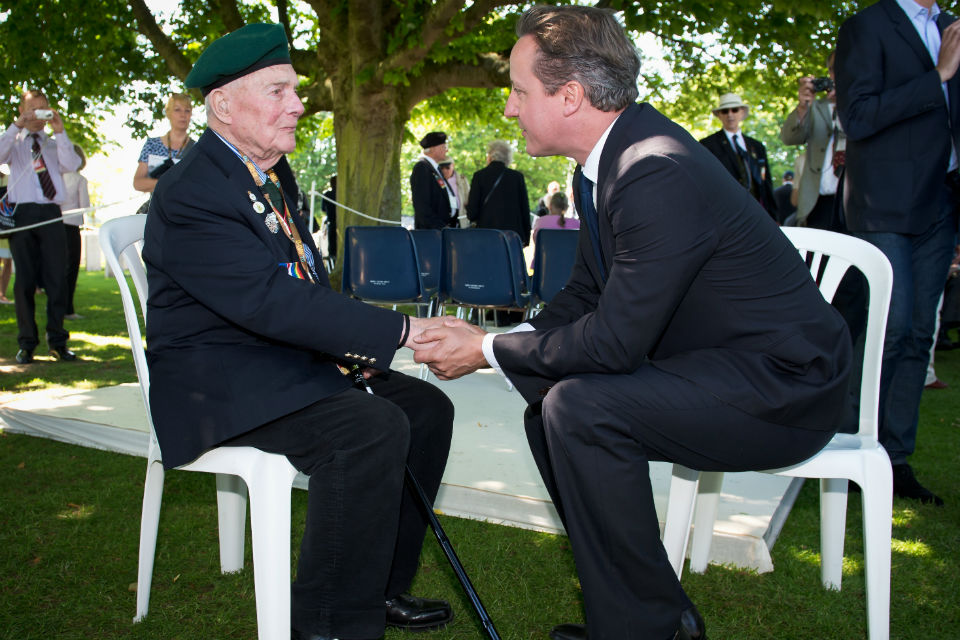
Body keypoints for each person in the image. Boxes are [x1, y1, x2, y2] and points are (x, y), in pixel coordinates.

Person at [412, 6, 853, 640]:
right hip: (719, 369)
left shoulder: (652, 168)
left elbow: (616, 342)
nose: (510, 108)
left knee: (581, 409)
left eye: (519, 90)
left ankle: (643, 627)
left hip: (783, 389)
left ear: (570, 96)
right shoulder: (610, 162)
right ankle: (648, 616)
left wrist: (485, 349)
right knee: (553, 406)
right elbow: (586, 294)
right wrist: (499, 340)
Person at [142, 23, 454, 640]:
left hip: (278, 360)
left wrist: (352, 349)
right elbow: (266, 301)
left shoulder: (265, 168)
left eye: (296, 88)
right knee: (369, 428)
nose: (299, 103)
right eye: (279, 89)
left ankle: (379, 589)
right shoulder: (193, 190)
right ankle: (329, 625)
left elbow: (304, 281)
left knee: (426, 409)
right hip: (220, 383)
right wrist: (399, 331)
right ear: (222, 105)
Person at [835, 0, 960, 506]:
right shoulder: (867, 26)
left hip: (942, 202)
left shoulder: (951, 25)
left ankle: (893, 459)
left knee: (919, 335)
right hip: (883, 202)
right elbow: (858, 116)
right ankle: (846, 449)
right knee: (890, 328)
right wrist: (940, 74)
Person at [0, 89, 81, 364]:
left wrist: (60, 132)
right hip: (22, 214)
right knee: (24, 281)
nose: (37, 115)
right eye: (32, 109)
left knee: (57, 279)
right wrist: (17, 126)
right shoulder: (15, 141)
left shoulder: (53, 142)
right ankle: (27, 343)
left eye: (42, 109)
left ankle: (58, 341)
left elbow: (72, 164)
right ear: (23, 110)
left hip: (51, 213)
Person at [781, 52, 847, 231]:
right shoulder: (816, 107)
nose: (837, 74)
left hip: (853, 205)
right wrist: (803, 106)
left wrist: (846, 98)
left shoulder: (863, 104)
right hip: (818, 205)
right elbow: (789, 137)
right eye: (832, 69)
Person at [700, 93, 777, 218]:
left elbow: (766, 182)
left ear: (742, 112)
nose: (730, 114)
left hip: (758, 212)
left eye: (734, 110)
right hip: (727, 215)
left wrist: (774, 216)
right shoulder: (708, 145)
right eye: (725, 111)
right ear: (719, 115)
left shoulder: (757, 147)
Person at [133, 93, 195, 212]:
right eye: (177, 110)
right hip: (155, 209)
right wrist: (170, 183)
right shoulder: (152, 145)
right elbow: (138, 183)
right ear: (168, 113)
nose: (183, 115)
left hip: (185, 212)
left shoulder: (197, 149)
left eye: (187, 111)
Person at [466, 139, 531, 245]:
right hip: (512, 236)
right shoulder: (517, 177)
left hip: (486, 235)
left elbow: (472, 213)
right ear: (508, 157)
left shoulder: (479, 176)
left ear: (490, 156)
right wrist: (526, 238)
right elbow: (524, 209)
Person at [60, 143, 89, 320]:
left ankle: (57, 307)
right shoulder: (79, 179)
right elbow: (84, 206)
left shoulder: (56, 177)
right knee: (71, 269)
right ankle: (67, 309)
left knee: (57, 269)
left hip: (54, 227)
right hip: (71, 228)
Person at [410, 131, 457, 229]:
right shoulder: (422, 168)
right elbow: (422, 206)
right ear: (433, 149)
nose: (446, 150)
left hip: (441, 230)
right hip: (431, 233)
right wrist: (440, 227)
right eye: (443, 147)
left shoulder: (434, 168)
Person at [439, 159, 469, 226]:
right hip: (444, 217)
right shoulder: (437, 180)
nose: (444, 170)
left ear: (453, 166)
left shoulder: (462, 179)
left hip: (460, 216)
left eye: (447, 167)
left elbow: (468, 197)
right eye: (441, 168)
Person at [320, 175, 337, 260]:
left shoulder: (327, 195)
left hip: (331, 221)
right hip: (333, 221)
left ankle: (332, 256)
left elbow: (323, 209)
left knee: (332, 244)